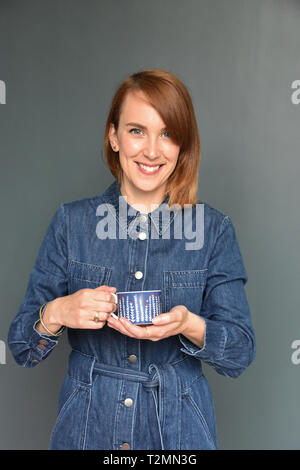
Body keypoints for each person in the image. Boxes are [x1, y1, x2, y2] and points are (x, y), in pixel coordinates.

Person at [7, 69, 256, 450]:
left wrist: (189, 324)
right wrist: (57, 312)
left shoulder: (214, 229)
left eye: (168, 133)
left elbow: (239, 352)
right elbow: (21, 348)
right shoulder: (71, 223)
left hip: (180, 433)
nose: (152, 151)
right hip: (86, 431)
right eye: (137, 130)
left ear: (182, 145)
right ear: (114, 136)